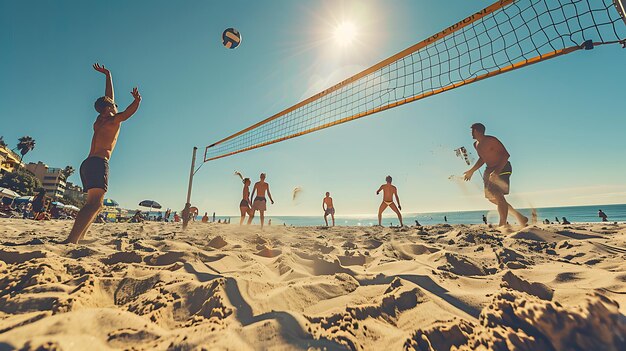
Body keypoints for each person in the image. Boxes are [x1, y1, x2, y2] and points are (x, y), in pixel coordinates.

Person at [63, 63, 141, 244]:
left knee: (95, 205)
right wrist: (137, 101)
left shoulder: (99, 120)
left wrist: (108, 75)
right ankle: (72, 239)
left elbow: (108, 98)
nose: (115, 105)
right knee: (94, 204)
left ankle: (79, 237)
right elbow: (128, 112)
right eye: (113, 105)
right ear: (109, 109)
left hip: (88, 163)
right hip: (98, 163)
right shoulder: (113, 120)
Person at [464, 123, 528, 228]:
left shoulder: (491, 140)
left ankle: (502, 225)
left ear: (476, 131)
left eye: (472, 131)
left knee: (498, 196)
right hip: (489, 170)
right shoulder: (476, 144)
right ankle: (519, 217)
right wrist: (472, 171)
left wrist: (497, 172)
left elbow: (506, 155)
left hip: (502, 167)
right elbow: (482, 158)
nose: (471, 133)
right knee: (492, 198)